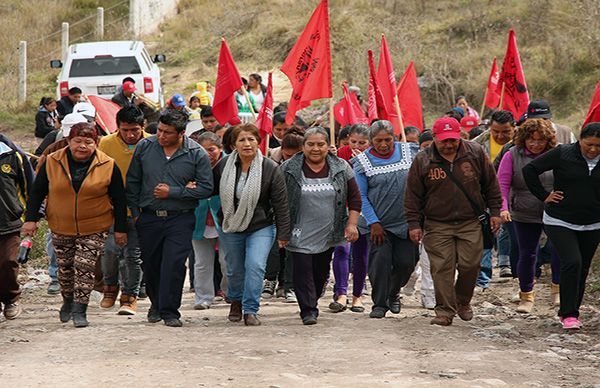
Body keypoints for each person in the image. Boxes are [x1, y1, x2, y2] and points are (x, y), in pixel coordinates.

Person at [23, 122, 128, 328]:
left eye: (88, 142)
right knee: (65, 268)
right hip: (61, 224)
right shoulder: (52, 161)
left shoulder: (107, 164)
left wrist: (121, 229)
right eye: (77, 141)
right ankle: (68, 300)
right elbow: (37, 192)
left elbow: (119, 198)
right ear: (68, 141)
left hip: (95, 225)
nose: (82, 146)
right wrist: (31, 219)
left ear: (95, 143)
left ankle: (80, 309)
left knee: (84, 266)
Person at [405, 117, 502, 326]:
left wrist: (495, 211)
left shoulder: (475, 153)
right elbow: (412, 195)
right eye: (444, 142)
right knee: (442, 268)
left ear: (460, 137)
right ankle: (444, 311)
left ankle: (462, 301)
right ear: (434, 139)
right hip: (437, 223)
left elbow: (491, 184)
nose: (448, 145)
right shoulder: (422, 160)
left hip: (470, 221)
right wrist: (414, 224)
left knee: (470, 264)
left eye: (453, 140)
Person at [126, 109, 213, 327]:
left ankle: (170, 311)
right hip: (148, 218)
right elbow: (133, 182)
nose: (161, 136)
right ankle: (156, 304)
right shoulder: (145, 147)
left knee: (174, 264)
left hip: (180, 219)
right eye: (160, 130)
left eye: (167, 133)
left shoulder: (196, 153)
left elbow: (205, 188)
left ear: (181, 133)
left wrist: (174, 192)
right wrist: (135, 213)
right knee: (152, 264)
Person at [523, 122, 600, 330]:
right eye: (588, 144)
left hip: (593, 223)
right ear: (580, 140)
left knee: (582, 267)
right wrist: (544, 196)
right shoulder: (563, 153)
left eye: (598, 146)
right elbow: (530, 170)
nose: (592, 150)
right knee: (572, 262)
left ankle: (573, 309)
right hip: (560, 220)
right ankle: (568, 314)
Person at [213, 123, 290, 326]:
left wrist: (284, 233)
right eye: (242, 140)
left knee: (255, 266)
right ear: (233, 145)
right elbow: (209, 188)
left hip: (261, 225)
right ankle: (236, 300)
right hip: (231, 224)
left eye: (251, 139)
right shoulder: (223, 166)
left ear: (258, 142)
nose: (247, 144)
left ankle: (250, 309)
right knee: (234, 269)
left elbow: (281, 204)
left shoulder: (270, 168)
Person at [282, 127, 361, 325]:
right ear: (303, 146)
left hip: (328, 232)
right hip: (298, 230)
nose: (315, 149)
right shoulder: (288, 168)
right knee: (302, 270)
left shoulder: (341, 167)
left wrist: (352, 225)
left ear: (328, 146)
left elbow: (354, 199)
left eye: (320, 144)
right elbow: (278, 200)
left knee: (320, 272)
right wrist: (281, 229)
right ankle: (308, 310)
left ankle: (313, 298)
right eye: (311, 144)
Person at [354, 120, 420, 318]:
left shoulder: (410, 152)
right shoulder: (362, 162)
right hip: (378, 224)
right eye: (378, 141)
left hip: (406, 222)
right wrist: (374, 222)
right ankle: (379, 304)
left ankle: (393, 292)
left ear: (395, 138)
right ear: (371, 141)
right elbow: (361, 196)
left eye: (387, 140)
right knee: (380, 263)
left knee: (407, 262)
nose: (383, 145)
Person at [497, 118, 560, 313]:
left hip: (555, 210)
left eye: (540, 140)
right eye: (531, 140)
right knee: (527, 253)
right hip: (523, 211)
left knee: (558, 250)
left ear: (548, 140)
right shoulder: (512, 155)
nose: (535, 144)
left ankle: (558, 289)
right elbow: (502, 185)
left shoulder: (557, 155)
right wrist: (503, 208)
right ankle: (526, 295)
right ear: (523, 139)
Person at [98, 106, 150, 315]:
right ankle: (110, 288)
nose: (130, 135)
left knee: (133, 256)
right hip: (111, 209)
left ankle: (130, 296)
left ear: (143, 127)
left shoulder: (152, 144)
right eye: (125, 130)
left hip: (140, 209)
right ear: (117, 127)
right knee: (110, 251)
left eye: (134, 130)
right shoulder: (106, 144)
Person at [473, 110, 516, 284]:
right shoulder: (478, 144)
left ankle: (510, 263)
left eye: (505, 131)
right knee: (485, 230)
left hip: (512, 192)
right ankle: (483, 275)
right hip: (485, 192)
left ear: (514, 128)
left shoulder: (523, 143)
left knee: (508, 228)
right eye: (495, 131)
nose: (500, 135)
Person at [330, 124, 370, 312]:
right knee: (341, 250)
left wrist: (361, 163)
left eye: (362, 143)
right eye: (353, 141)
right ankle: (341, 293)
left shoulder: (373, 155)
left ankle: (358, 295)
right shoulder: (340, 153)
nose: (357, 146)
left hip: (365, 209)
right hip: (342, 209)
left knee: (361, 254)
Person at [192, 132, 227, 309]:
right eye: (203, 150)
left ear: (220, 149)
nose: (207, 154)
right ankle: (203, 297)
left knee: (227, 260)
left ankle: (231, 292)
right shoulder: (191, 164)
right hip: (199, 219)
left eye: (211, 150)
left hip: (225, 218)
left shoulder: (230, 165)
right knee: (202, 262)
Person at [0, 134, 32, 321]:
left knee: (8, 262)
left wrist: (33, 216)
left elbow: (28, 184)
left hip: (9, 220)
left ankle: (11, 298)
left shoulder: (11, 154)